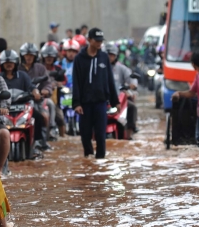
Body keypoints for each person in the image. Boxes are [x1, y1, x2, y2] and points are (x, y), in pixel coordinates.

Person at [72, 28, 119, 159]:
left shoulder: (104, 57)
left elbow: (110, 80)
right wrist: (76, 103)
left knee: (100, 134)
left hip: (100, 102)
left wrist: (115, 102)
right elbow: (76, 82)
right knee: (85, 134)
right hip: (85, 104)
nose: (99, 43)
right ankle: (88, 158)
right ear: (89, 40)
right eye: (96, 40)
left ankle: (100, 162)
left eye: (100, 41)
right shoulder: (79, 59)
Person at [0, 50, 48, 151]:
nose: (9, 65)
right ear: (1, 64)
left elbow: (31, 86)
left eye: (11, 63)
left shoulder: (22, 75)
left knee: (38, 117)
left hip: (23, 107)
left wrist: (36, 92)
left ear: (16, 63)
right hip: (5, 109)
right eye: (6, 63)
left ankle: (38, 143)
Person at [106, 43, 138, 139]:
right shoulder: (100, 68)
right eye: (107, 55)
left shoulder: (121, 68)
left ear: (116, 56)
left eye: (111, 55)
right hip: (103, 99)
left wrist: (131, 85)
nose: (109, 57)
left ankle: (130, 132)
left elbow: (131, 79)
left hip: (119, 99)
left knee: (132, 107)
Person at [40, 44, 66, 138]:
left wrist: (59, 83)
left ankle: (62, 137)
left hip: (55, 98)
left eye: (51, 57)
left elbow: (64, 80)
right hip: (41, 97)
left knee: (61, 119)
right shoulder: (40, 68)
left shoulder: (58, 69)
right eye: (47, 57)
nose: (49, 59)